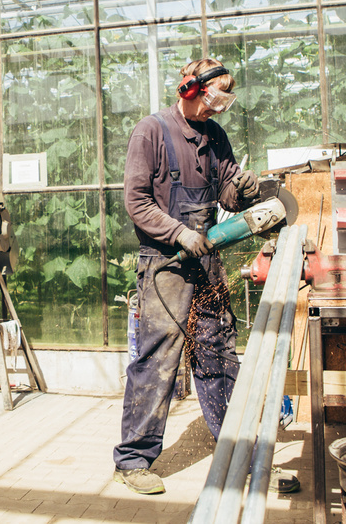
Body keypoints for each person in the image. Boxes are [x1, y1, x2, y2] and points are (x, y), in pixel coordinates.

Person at [113, 58, 259, 495]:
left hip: (206, 261)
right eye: (217, 94)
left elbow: (228, 195)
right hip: (165, 266)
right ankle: (134, 461)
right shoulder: (152, 131)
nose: (221, 105)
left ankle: (234, 447)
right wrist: (178, 232)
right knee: (157, 361)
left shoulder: (215, 136)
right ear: (191, 88)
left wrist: (244, 189)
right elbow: (136, 202)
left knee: (217, 353)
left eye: (226, 97)